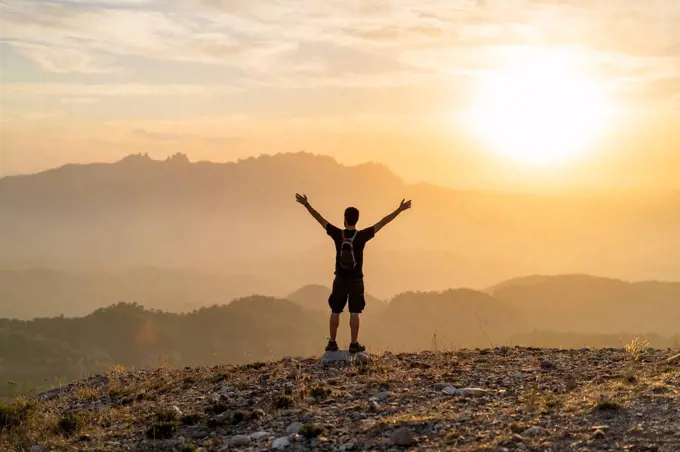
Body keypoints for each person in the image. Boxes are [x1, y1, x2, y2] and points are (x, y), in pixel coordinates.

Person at [295, 194, 412, 353]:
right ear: (357, 220)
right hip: (356, 280)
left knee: (335, 310)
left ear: (345, 219)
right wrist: (399, 209)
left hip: (340, 279)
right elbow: (383, 222)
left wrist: (306, 205)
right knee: (355, 312)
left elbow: (320, 219)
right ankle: (354, 343)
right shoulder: (362, 236)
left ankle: (332, 343)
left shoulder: (338, 234)